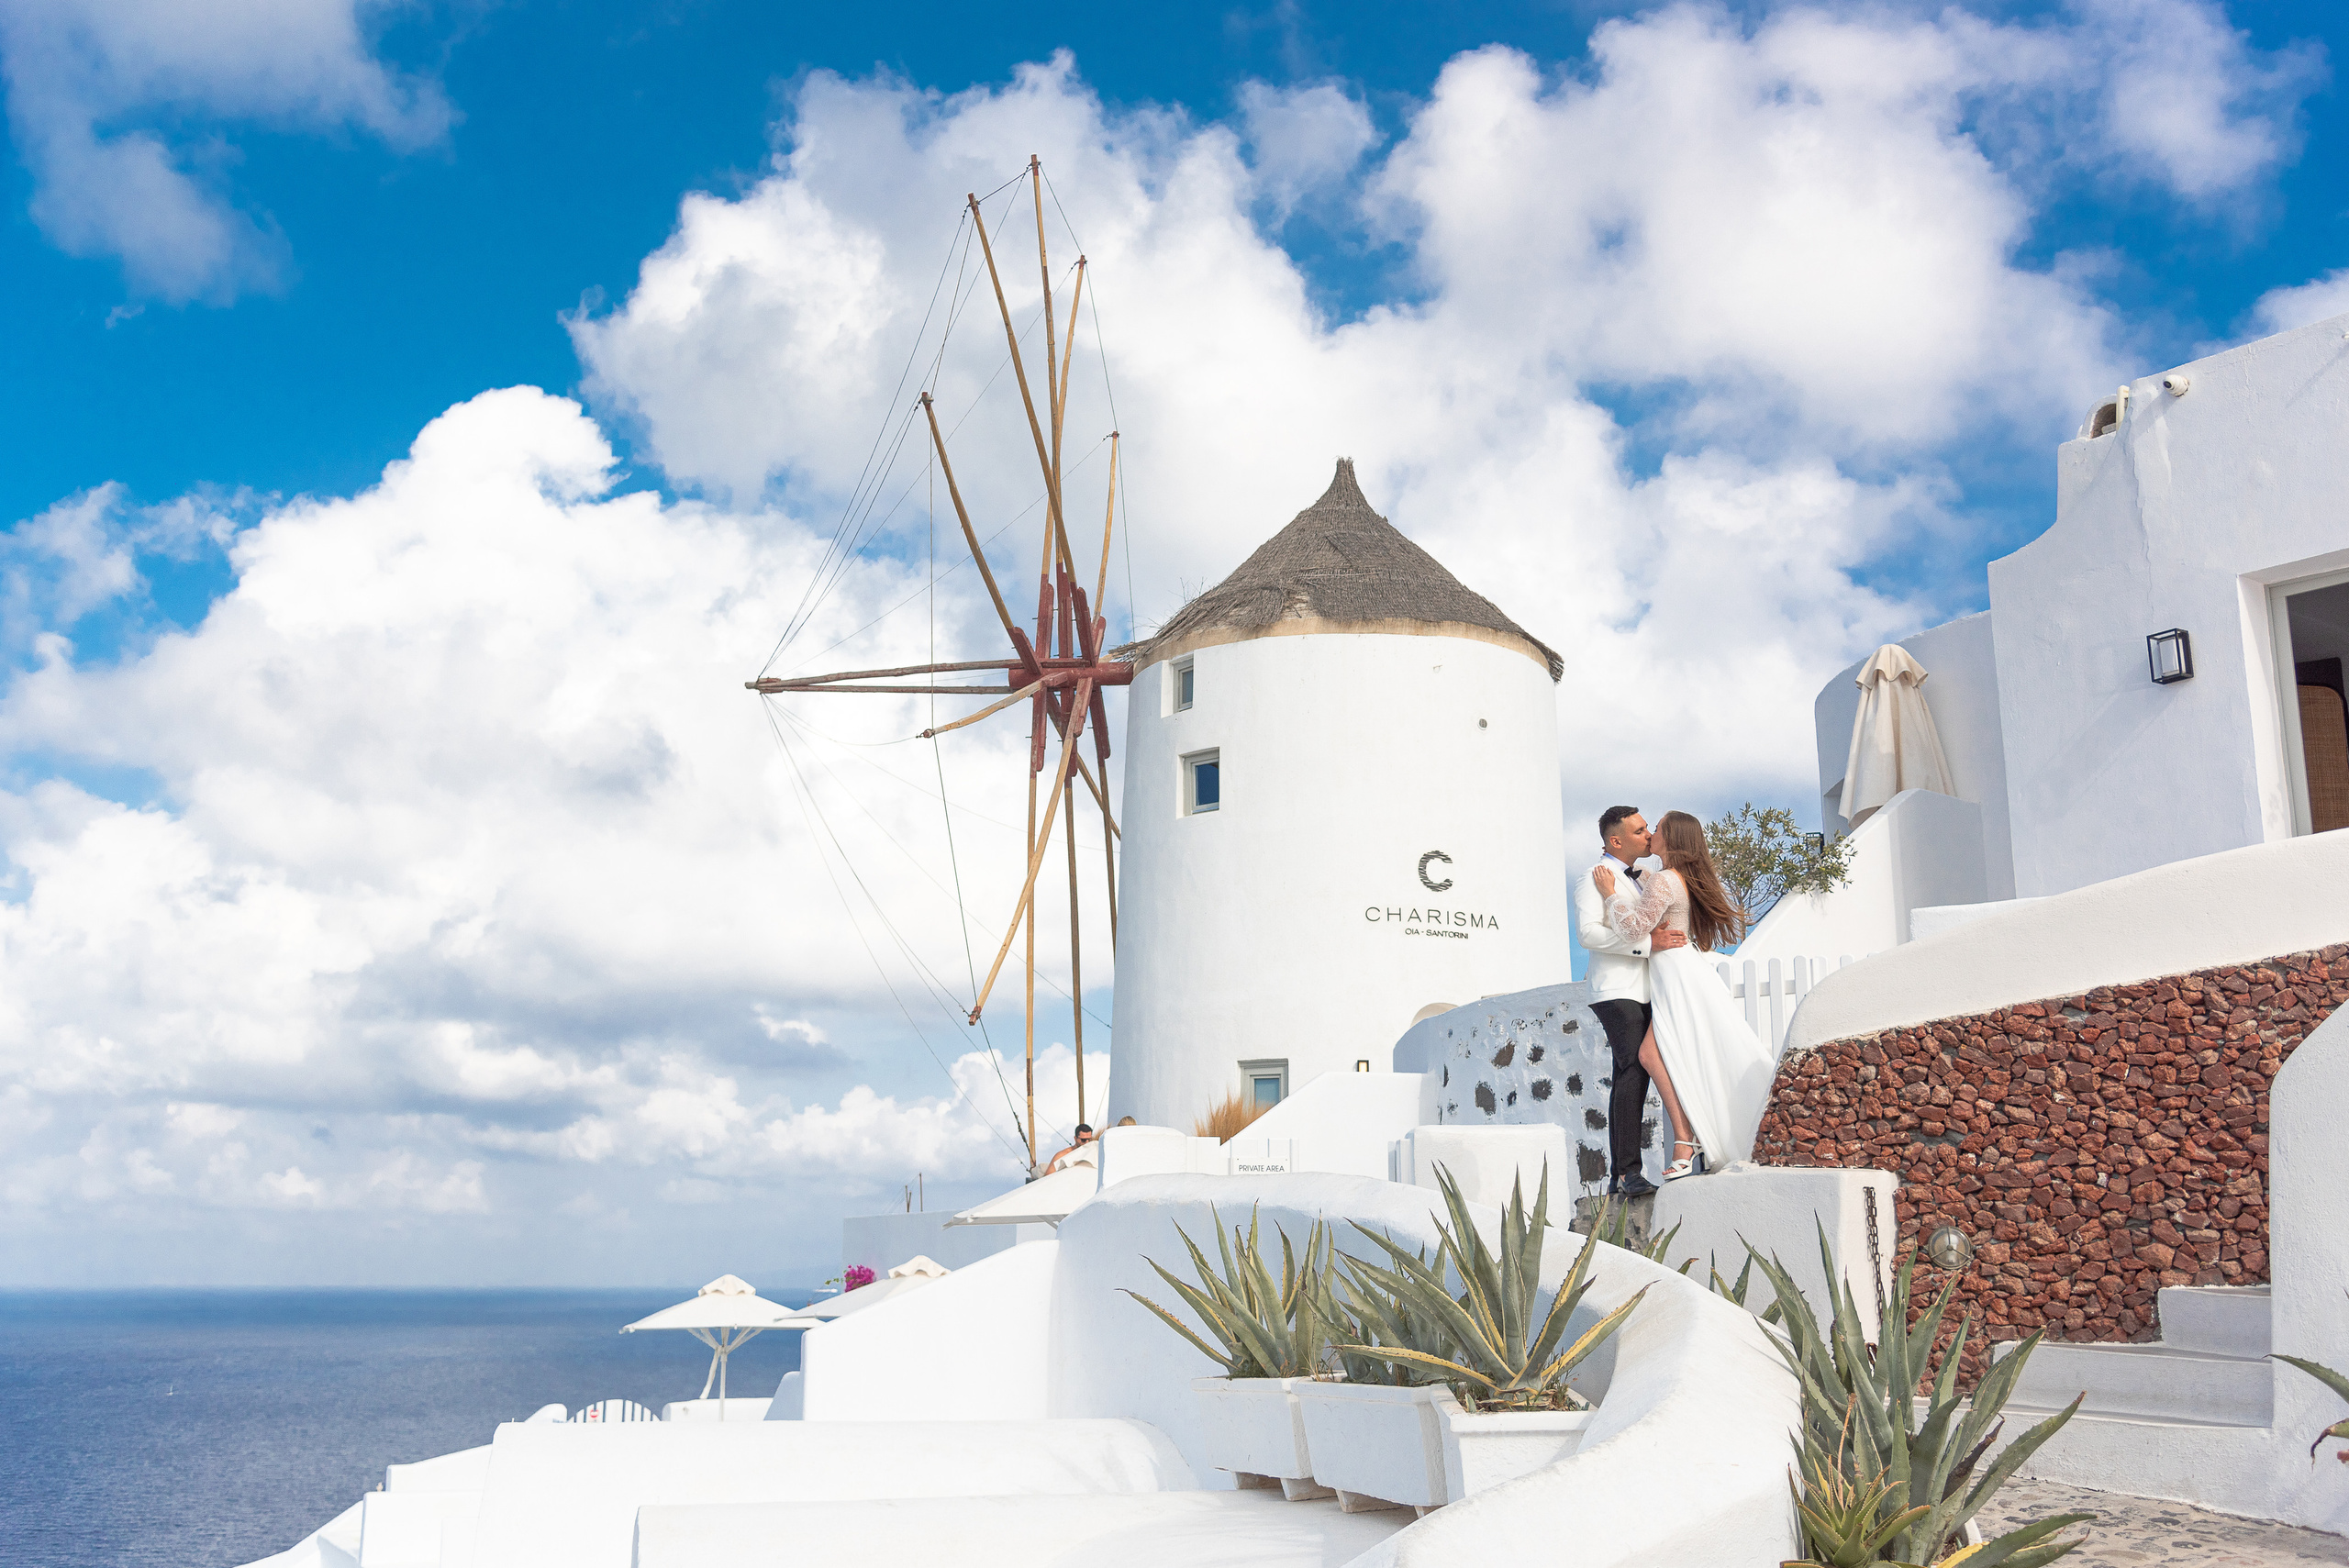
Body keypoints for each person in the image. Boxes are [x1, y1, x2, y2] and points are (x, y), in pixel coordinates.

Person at [1591, 810, 1778, 1178]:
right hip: (1676, 971)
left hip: (1675, 974)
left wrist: (1610, 894)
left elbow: (1633, 929)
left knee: (1654, 1054)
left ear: (1671, 839)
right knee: (1664, 1053)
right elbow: (1645, 887)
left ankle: (1686, 1139)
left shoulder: (1664, 880)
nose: (1651, 834)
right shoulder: (1668, 878)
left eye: (1657, 829)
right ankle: (1688, 1137)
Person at [1574, 806, 1689, 1198]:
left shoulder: (1645, 879)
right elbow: (1588, 934)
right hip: (1616, 990)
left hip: (1649, 988)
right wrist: (1646, 944)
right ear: (1616, 840)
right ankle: (1626, 1174)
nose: (1647, 835)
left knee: (1638, 1070)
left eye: (1648, 829)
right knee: (1632, 1069)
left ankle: (1625, 1173)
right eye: (1640, 831)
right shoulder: (1593, 879)